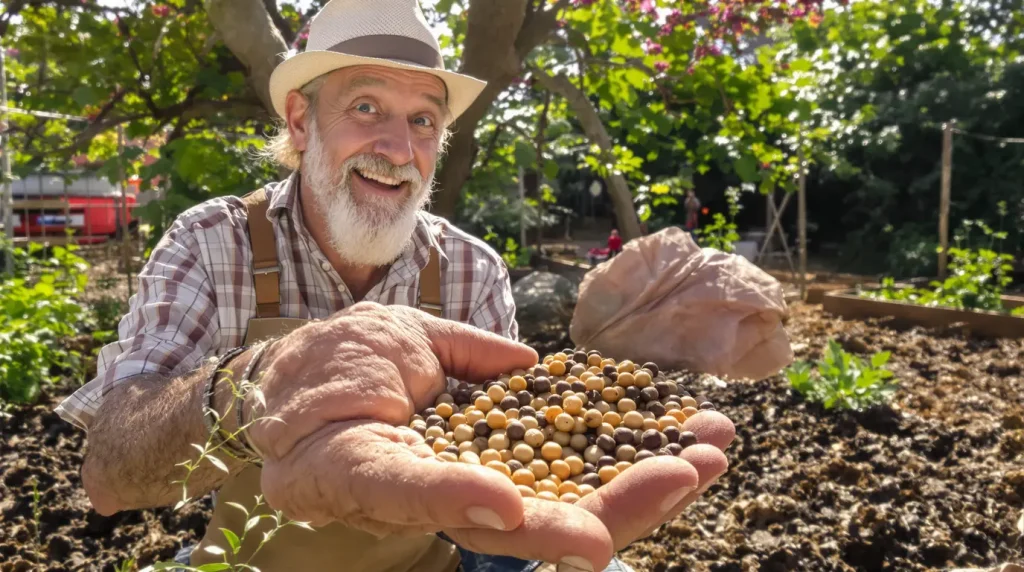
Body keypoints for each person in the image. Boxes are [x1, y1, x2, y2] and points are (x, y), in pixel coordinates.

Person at [55, 1, 735, 571]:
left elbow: (505, 454)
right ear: (300, 121)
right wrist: (252, 388)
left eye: (423, 120)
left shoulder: (470, 268)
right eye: (367, 106)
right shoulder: (215, 242)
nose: (398, 149)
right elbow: (111, 472)